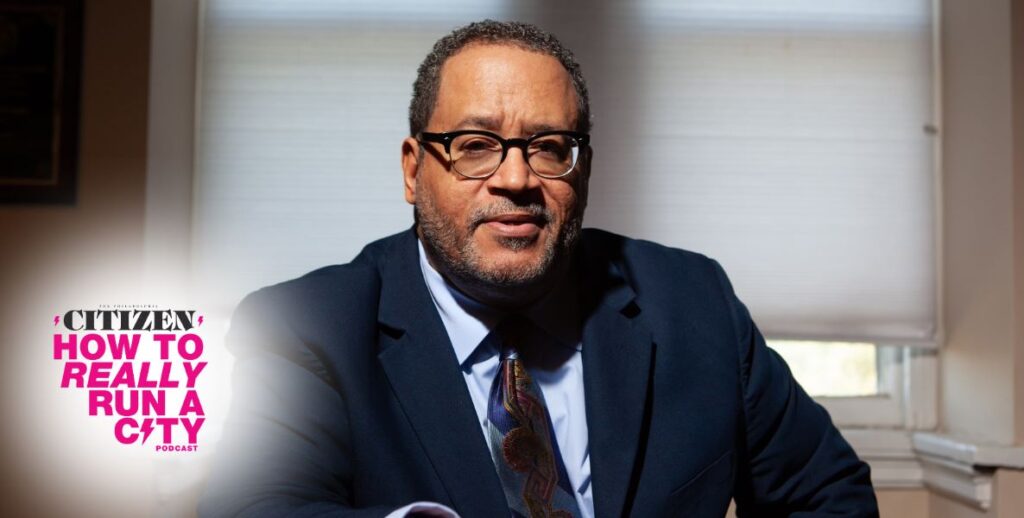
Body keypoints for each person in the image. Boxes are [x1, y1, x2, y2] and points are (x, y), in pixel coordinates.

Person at [199, 20, 878, 518]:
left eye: (550, 147)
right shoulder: (310, 326)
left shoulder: (692, 302)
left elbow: (830, 497)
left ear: (582, 169)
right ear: (413, 169)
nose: (517, 178)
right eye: (474, 145)